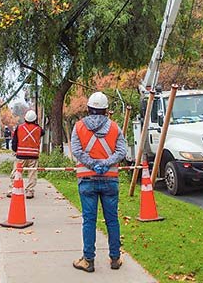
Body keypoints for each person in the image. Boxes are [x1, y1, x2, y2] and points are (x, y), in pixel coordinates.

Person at [71, 92, 126, 273]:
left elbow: (77, 151)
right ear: (106, 110)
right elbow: (121, 151)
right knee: (112, 220)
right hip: (110, 180)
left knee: (89, 220)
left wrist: (93, 164)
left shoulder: (78, 127)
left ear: (88, 108)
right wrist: (105, 163)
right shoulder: (115, 128)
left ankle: (88, 260)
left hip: (87, 180)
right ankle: (115, 258)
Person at [9, 110, 44, 199]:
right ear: (35, 119)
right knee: (32, 173)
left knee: (17, 172)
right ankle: (29, 191)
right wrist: (36, 124)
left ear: (25, 118)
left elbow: (14, 141)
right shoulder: (38, 129)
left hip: (21, 155)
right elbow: (42, 132)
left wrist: (14, 150)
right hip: (33, 156)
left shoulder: (19, 128)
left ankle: (13, 189)